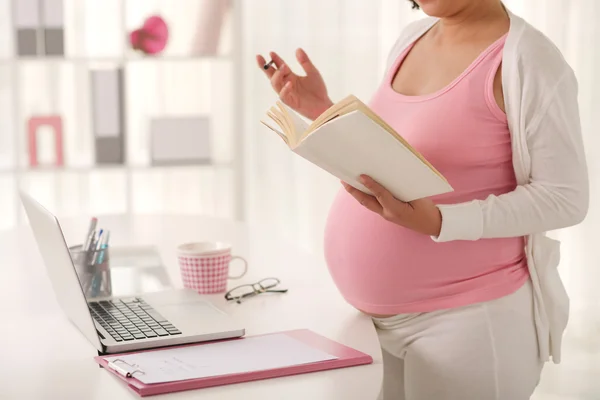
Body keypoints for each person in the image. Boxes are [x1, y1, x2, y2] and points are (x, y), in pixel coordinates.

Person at [256, 0, 589, 399]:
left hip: (466, 324)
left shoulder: (528, 59)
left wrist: (441, 222)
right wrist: (320, 110)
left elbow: (565, 198)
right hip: (373, 323)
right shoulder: (411, 38)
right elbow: (395, 155)